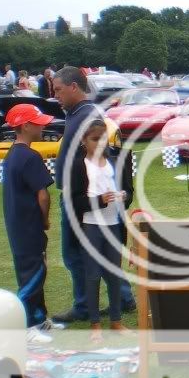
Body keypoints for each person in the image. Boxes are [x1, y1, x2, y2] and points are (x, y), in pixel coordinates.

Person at [51, 66, 136, 323]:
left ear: (74, 87)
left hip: (84, 197)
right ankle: (123, 298)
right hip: (89, 197)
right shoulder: (78, 113)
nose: (55, 95)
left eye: (58, 90)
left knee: (76, 253)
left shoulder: (86, 116)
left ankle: (84, 305)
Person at [68, 119, 135, 343]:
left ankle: (115, 320)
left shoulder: (115, 162)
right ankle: (95, 323)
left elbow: (128, 191)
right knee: (93, 275)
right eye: (95, 139)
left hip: (113, 225)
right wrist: (98, 200)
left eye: (103, 138)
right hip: (91, 226)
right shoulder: (79, 165)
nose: (100, 144)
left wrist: (124, 196)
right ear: (83, 141)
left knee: (115, 274)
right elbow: (75, 200)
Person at [1, 103, 57, 346]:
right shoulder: (31, 156)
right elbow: (43, 195)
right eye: (39, 123)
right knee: (32, 276)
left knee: (33, 270)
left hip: (17, 224)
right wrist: (45, 220)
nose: (43, 126)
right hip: (29, 226)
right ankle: (26, 326)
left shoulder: (12, 153)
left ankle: (39, 318)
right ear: (25, 126)